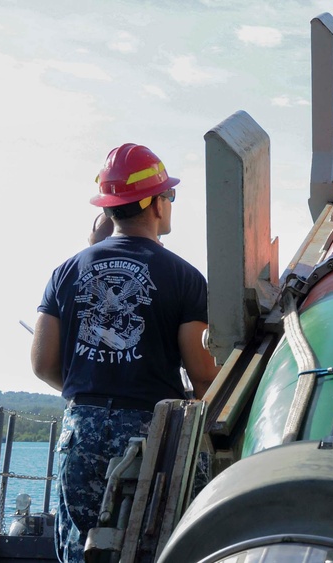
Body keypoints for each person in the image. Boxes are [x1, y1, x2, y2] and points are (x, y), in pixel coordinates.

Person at [30, 143, 219, 562]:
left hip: (82, 427)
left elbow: (42, 364)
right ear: (154, 203)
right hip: (150, 433)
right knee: (156, 547)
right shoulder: (184, 278)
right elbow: (203, 374)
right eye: (169, 195)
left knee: (81, 552)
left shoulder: (66, 271)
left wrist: (95, 390)